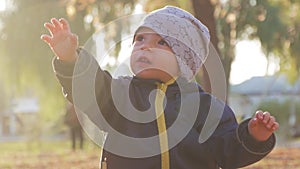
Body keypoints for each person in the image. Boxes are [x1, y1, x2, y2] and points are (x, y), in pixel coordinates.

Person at [41, 6, 279, 169]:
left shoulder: (204, 106)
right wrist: (70, 59)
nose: (144, 47)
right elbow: (89, 90)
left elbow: (227, 150)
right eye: (140, 40)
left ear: (185, 59)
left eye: (161, 42)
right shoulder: (120, 94)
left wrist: (254, 136)